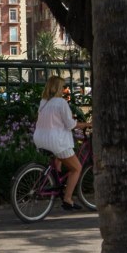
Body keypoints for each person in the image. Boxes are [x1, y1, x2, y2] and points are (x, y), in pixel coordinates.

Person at [33, 75, 90, 211]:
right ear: (58, 88)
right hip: (56, 141)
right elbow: (70, 125)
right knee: (76, 168)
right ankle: (68, 199)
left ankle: (56, 179)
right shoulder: (61, 103)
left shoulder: (44, 102)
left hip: (40, 138)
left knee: (58, 158)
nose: (65, 89)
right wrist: (87, 124)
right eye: (63, 87)